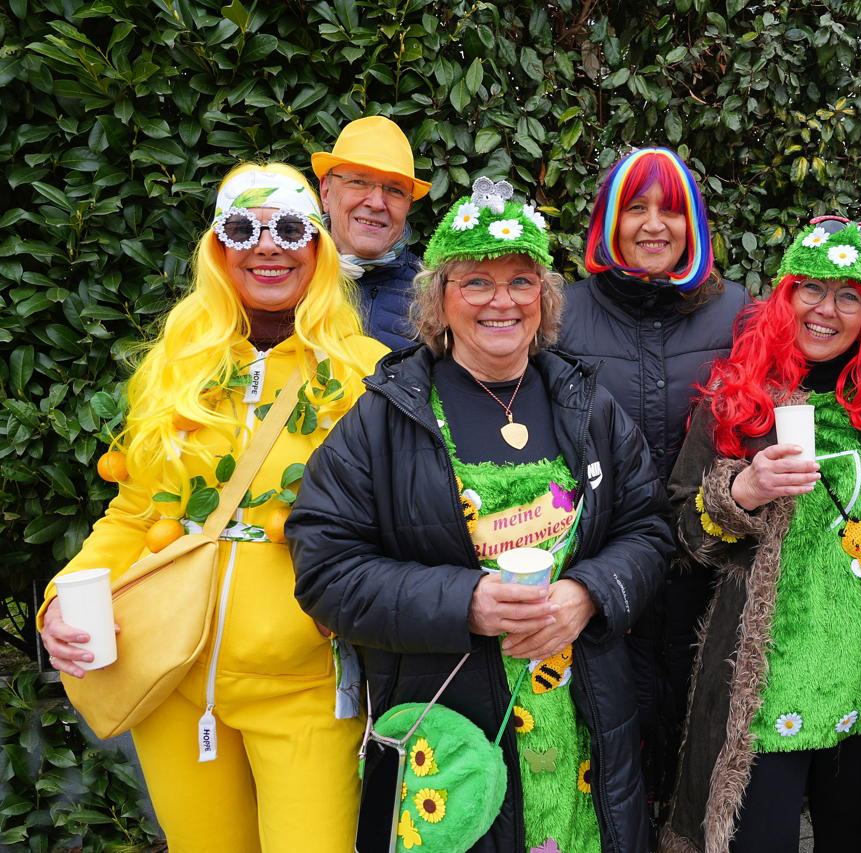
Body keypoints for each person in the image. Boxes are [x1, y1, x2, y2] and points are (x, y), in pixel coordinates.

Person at [287, 177, 673, 853]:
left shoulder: (588, 405)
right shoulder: (386, 416)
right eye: (476, 282)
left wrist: (588, 594)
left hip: (588, 732)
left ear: (545, 297)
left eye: (522, 281)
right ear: (439, 298)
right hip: (456, 736)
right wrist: (466, 603)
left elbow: (648, 527)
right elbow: (324, 564)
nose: (503, 301)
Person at [37, 163, 388, 852]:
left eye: (290, 228)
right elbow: (133, 514)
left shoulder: (366, 374)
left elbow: (396, 526)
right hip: (172, 679)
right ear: (217, 248)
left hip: (305, 685)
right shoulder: (178, 366)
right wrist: (59, 600)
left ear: (317, 247)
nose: (267, 246)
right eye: (242, 228)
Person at [662, 216, 861, 853]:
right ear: (784, 297)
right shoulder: (735, 399)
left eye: (849, 297)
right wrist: (739, 494)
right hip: (761, 696)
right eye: (811, 289)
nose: (825, 311)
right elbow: (681, 534)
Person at [556, 146, 750, 811]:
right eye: (635, 206)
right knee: (613, 758)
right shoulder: (562, 313)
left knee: (706, 758)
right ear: (607, 221)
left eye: (670, 208)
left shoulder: (738, 314)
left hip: (713, 572)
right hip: (606, 573)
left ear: (693, 222)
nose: (653, 224)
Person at [312, 115, 431, 349]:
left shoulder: (432, 297)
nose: (377, 203)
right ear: (326, 191)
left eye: (395, 190)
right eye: (358, 182)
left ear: (408, 204)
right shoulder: (289, 279)